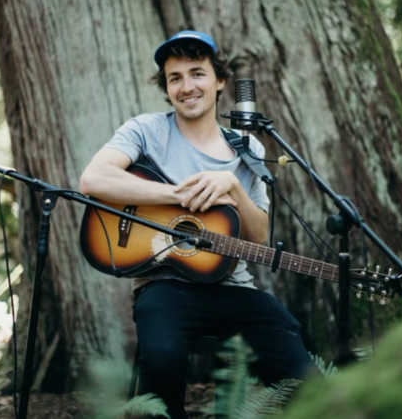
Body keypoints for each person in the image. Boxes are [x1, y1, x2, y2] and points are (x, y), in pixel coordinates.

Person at [80, 30, 316, 418]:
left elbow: (258, 237)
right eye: (175, 78)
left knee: (302, 375)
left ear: (220, 80)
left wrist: (233, 188)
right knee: (162, 359)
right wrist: (179, 195)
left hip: (235, 288)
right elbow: (93, 180)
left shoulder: (247, 148)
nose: (187, 86)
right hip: (164, 284)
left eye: (197, 73)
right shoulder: (147, 129)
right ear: (167, 88)